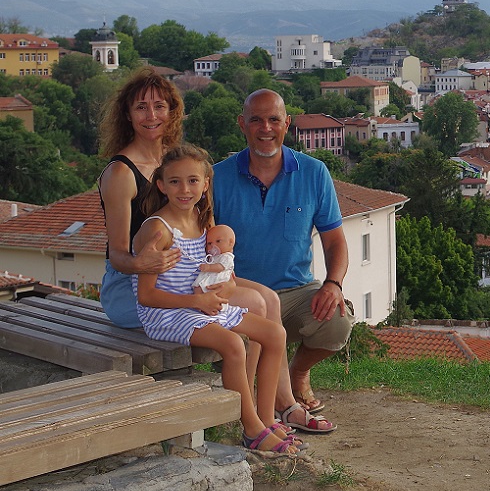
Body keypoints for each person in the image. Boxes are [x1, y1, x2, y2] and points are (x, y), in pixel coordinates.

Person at [98, 68, 334, 433]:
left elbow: (201, 226)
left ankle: (274, 405)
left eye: (159, 106)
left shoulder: (177, 162)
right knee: (255, 305)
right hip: (135, 285)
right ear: (127, 114)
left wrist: (223, 264)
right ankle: (249, 415)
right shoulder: (121, 173)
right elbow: (117, 255)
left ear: (172, 111)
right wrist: (143, 262)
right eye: (141, 107)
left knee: (269, 299)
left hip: (185, 275)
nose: (151, 115)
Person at [132, 145, 297, 455]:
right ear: (161, 185)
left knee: (275, 333)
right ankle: (252, 429)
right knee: (234, 345)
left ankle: (265, 418)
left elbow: (217, 267)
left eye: (193, 181)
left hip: (202, 305)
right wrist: (196, 303)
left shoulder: (202, 218)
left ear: (206, 183)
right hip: (169, 313)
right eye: (175, 182)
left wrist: (225, 287)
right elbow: (146, 296)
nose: (185, 190)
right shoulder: (157, 230)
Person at [213, 89, 354, 420]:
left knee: (337, 322)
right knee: (247, 331)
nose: (266, 128)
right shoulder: (216, 178)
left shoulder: (314, 172)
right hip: (239, 295)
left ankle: (298, 373)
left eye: (274, 119)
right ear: (242, 124)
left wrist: (333, 284)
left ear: (287, 123)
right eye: (256, 120)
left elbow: (335, 241)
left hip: (295, 292)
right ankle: (267, 408)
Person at [194, 224, 236, 292]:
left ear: (230, 243)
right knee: (198, 288)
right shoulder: (214, 256)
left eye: (218, 241)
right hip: (209, 276)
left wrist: (209, 267)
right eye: (209, 243)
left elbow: (221, 267)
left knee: (204, 289)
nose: (213, 245)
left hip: (218, 279)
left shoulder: (227, 257)